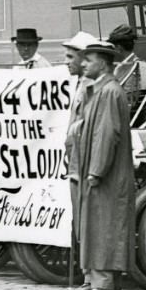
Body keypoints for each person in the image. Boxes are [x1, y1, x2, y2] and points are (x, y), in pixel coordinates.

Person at [72, 40, 136, 290]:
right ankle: (96, 279)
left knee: (105, 225)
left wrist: (96, 170)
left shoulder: (109, 92)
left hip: (106, 173)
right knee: (96, 225)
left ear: (104, 63)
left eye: (89, 59)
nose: (83, 63)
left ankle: (105, 283)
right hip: (100, 170)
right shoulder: (100, 91)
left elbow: (106, 135)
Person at [61, 30, 97, 266]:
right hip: (75, 158)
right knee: (79, 218)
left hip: (83, 159)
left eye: (70, 57)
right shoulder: (80, 85)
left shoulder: (89, 87)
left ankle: (87, 270)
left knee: (86, 218)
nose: (66, 62)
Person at [108, 24, 146, 109]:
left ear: (119, 48)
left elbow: (132, 98)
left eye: (113, 47)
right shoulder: (122, 65)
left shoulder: (139, 66)